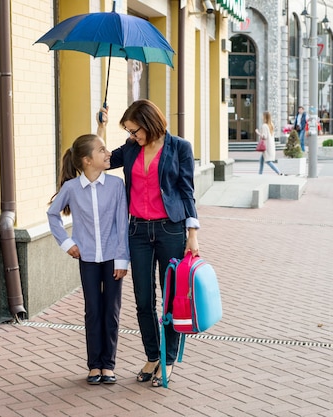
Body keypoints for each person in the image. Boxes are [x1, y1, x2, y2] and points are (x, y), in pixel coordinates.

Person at [96, 99, 199, 388]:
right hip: (138, 231)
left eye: (134, 130)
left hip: (171, 229)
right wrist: (101, 127)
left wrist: (192, 233)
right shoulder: (130, 149)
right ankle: (153, 355)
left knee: (170, 299)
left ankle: (168, 359)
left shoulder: (179, 147)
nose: (132, 136)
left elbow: (187, 191)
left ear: (149, 123)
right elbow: (102, 160)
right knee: (143, 300)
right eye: (128, 131)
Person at [47, 134, 129, 386]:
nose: (108, 154)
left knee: (111, 312)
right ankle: (94, 365)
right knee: (93, 310)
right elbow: (52, 214)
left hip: (113, 259)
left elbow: (121, 225)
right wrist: (67, 243)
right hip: (88, 260)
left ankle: (109, 365)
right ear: (87, 160)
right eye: (102, 150)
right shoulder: (72, 188)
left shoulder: (116, 185)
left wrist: (122, 259)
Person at [257, 111, 283, 176]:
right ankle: (260, 173)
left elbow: (264, 137)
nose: (262, 117)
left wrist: (258, 133)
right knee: (262, 160)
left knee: (268, 161)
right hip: (270, 145)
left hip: (266, 145)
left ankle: (279, 172)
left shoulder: (264, 126)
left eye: (263, 116)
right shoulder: (271, 124)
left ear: (265, 117)